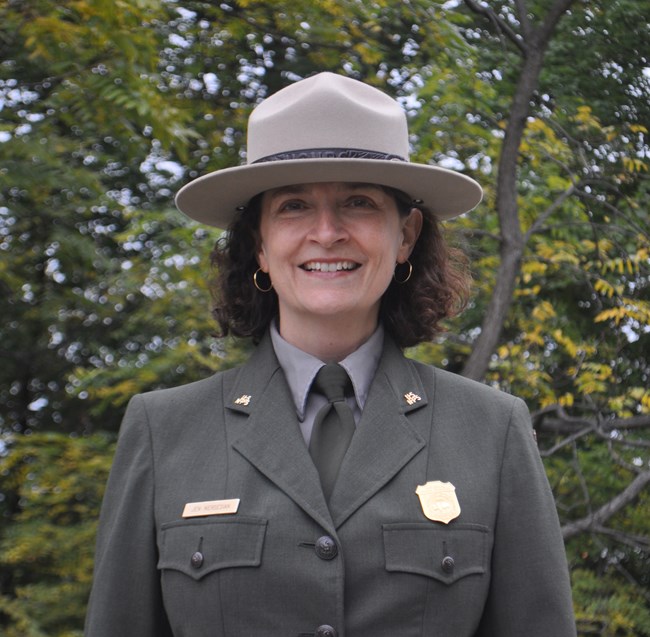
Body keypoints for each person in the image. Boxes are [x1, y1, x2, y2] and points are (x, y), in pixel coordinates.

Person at [84, 72, 576, 637]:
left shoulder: (492, 431)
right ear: (259, 246)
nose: (327, 232)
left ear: (406, 235)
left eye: (358, 203)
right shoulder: (162, 430)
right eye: (294, 206)